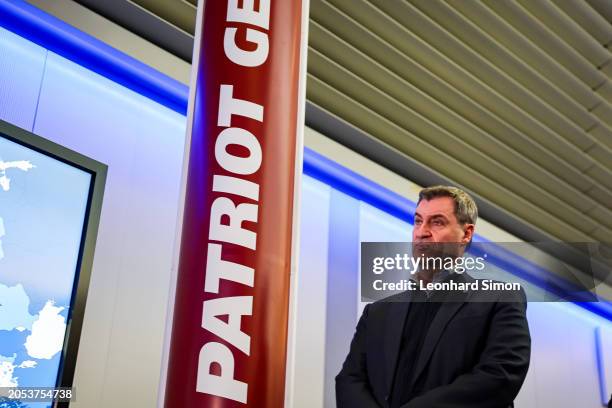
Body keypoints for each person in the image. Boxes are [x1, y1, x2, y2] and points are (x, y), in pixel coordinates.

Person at [336, 185, 531, 408]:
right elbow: (350, 380)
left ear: (466, 234)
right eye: (418, 221)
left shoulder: (500, 299)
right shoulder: (377, 312)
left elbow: (500, 376)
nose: (422, 232)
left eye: (437, 222)